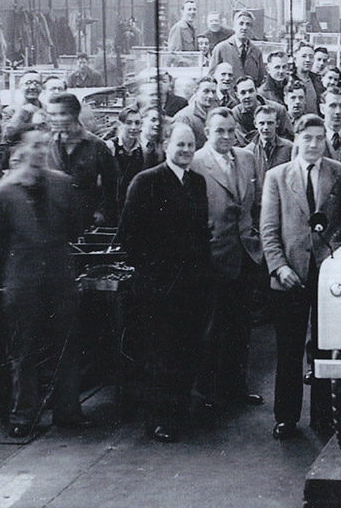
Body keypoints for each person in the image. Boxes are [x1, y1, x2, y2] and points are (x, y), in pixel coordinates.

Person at [0, 130, 95, 438]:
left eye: (43, 145)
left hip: (60, 276)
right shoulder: (4, 193)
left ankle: (68, 411)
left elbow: (76, 226)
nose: (39, 151)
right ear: (21, 151)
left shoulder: (62, 184)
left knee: (67, 346)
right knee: (23, 349)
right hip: (23, 280)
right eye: (33, 146)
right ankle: (23, 415)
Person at [117, 123, 213, 442]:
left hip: (192, 285)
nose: (186, 150)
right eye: (180, 145)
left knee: (187, 349)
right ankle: (160, 419)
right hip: (157, 287)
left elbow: (200, 234)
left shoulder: (196, 182)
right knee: (160, 353)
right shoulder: (146, 181)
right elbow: (128, 237)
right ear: (166, 145)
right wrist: (153, 273)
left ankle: (180, 411)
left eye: (190, 145)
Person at [261, 114, 341, 439]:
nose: (314, 145)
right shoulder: (277, 177)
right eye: (308, 138)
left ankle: (323, 417)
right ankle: (286, 417)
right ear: (297, 139)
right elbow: (269, 230)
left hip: (328, 275)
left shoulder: (340, 174)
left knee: (326, 346)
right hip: (290, 275)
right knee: (288, 349)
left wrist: (337, 257)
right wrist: (279, 266)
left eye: (319, 138)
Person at [190, 107, 265, 409]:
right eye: (219, 130)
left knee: (240, 327)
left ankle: (237, 386)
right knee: (211, 328)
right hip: (214, 257)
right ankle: (208, 392)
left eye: (230, 130)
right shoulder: (196, 164)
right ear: (207, 132)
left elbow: (255, 202)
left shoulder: (246, 158)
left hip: (245, 255)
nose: (225, 136)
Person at [45, 92, 120, 227]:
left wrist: (102, 211)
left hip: (86, 220)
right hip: (54, 219)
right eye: (51, 114)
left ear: (75, 114)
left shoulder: (96, 145)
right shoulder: (47, 143)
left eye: (61, 114)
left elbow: (112, 185)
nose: (54, 119)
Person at [243, 105, 294, 221]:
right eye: (262, 123)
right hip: (258, 213)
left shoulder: (289, 148)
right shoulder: (247, 153)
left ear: (277, 123)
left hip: (284, 210)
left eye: (270, 123)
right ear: (255, 124)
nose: (266, 128)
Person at [108, 105, 165, 208]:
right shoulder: (110, 147)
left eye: (137, 123)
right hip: (110, 206)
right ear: (120, 125)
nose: (133, 127)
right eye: (129, 123)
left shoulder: (142, 151)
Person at [232, 75, 293, 144]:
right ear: (237, 95)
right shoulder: (235, 114)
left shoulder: (278, 110)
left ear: (256, 91)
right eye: (243, 93)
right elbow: (242, 141)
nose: (247, 96)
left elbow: (289, 136)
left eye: (251, 91)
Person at [209, 10, 264, 84]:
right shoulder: (221, 49)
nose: (244, 27)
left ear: (251, 28)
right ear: (234, 26)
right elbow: (211, 76)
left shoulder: (256, 51)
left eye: (248, 24)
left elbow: (260, 77)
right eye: (241, 23)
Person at [173, 76, 220, 150]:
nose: (210, 96)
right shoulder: (184, 117)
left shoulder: (216, 114)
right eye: (206, 91)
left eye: (213, 92)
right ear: (195, 92)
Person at [5, 71, 45, 143]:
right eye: (28, 83)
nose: (32, 87)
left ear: (42, 87)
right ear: (20, 86)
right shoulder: (9, 111)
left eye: (37, 83)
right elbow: (7, 136)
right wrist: (22, 112)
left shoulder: (48, 110)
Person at [292, 44, 322, 116]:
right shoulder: (289, 81)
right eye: (304, 56)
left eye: (311, 57)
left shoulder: (317, 81)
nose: (308, 60)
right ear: (295, 59)